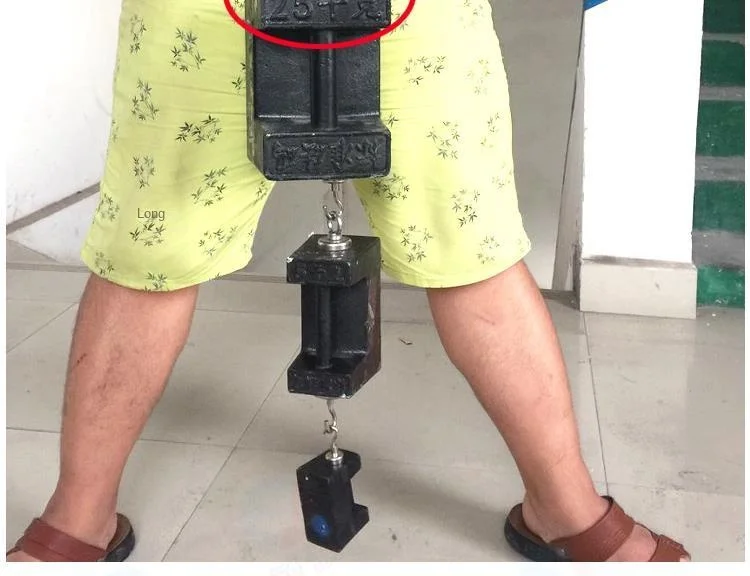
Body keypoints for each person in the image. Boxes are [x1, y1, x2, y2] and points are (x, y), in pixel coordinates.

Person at [7, 0, 689, 562]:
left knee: (474, 251)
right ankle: (80, 515)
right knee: (145, 257)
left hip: (419, 14)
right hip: (200, 14)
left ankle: (564, 508)